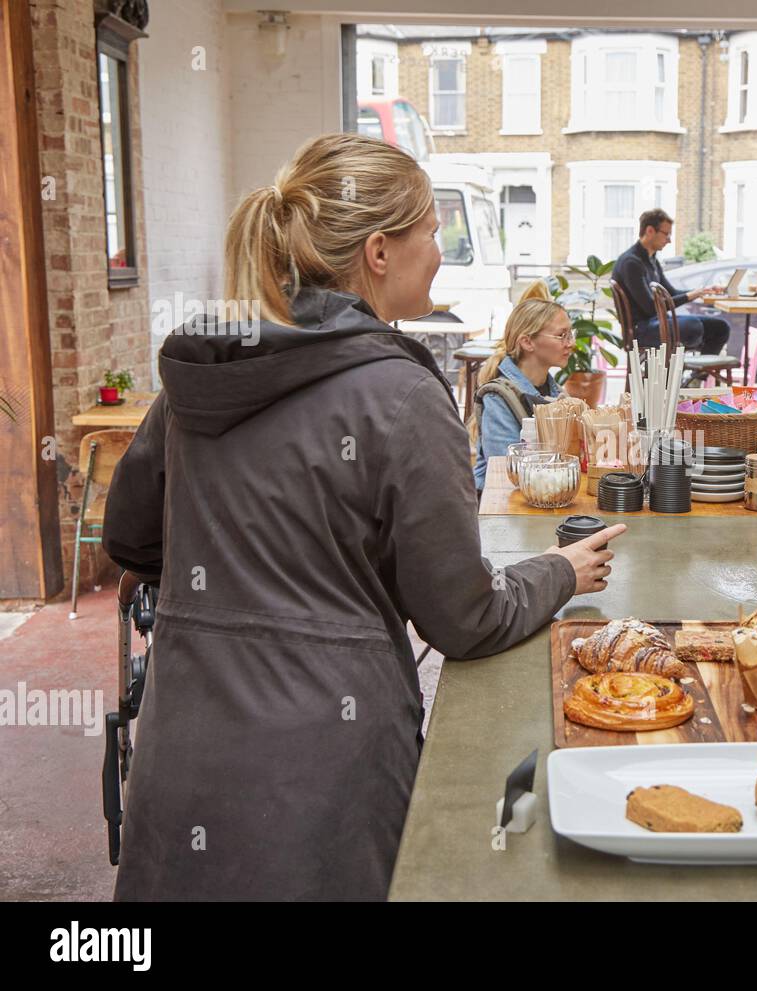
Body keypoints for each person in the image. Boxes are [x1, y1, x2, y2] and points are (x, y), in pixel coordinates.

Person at [101, 132, 626, 901]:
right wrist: (560, 571)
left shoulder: (209, 371)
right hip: (322, 785)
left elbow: (131, 539)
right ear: (379, 251)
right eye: (430, 229)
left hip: (183, 759)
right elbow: (463, 617)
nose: (440, 249)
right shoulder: (405, 397)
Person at [471, 298, 572, 490]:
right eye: (562, 335)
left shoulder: (557, 394)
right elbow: (509, 470)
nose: (570, 343)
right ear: (527, 342)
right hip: (502, 505)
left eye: (570, 334)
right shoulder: (498, 398)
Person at [612, 208, 729, 353]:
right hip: (641, 330)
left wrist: (701, 292)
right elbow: (650, 308)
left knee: (721, 327)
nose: (669, 240)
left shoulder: (651, 260)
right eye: (666, 234)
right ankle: (683, 372)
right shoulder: (631, 263)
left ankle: (700, 375)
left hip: (657, 322)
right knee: (693, 326)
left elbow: (671, 292)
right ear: (649, 231)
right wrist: (692, 295)